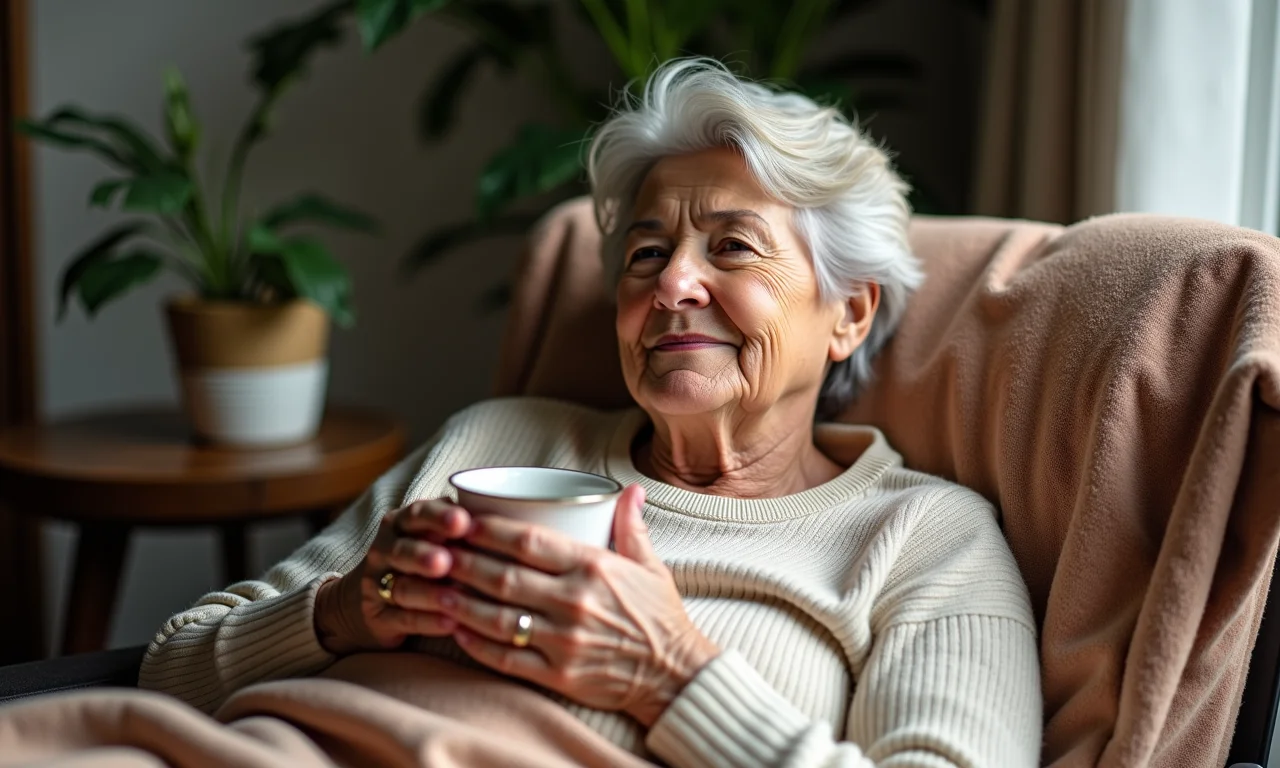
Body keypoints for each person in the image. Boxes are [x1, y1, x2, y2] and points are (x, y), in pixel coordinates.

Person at [141, 58, 1041, 767]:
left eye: (732, 246)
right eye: (646, 254)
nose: (673, 284)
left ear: (849, 312)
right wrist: (344, 610)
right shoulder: (497, 438)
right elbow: (172, 669)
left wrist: (669, 674)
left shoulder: (924, 537)